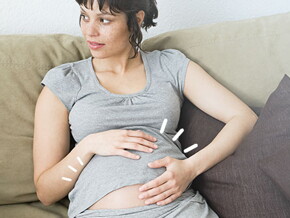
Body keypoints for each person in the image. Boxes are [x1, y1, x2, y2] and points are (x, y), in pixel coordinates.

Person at [33, 0, 258, 217]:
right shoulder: (65, 81)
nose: (89, 31)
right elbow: (46, 192)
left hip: (180, 209)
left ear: (136, 20)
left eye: (104, 20)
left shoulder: (170, 65)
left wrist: (190, 168)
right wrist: (88, 146)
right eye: (84, 16)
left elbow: (244, 118)